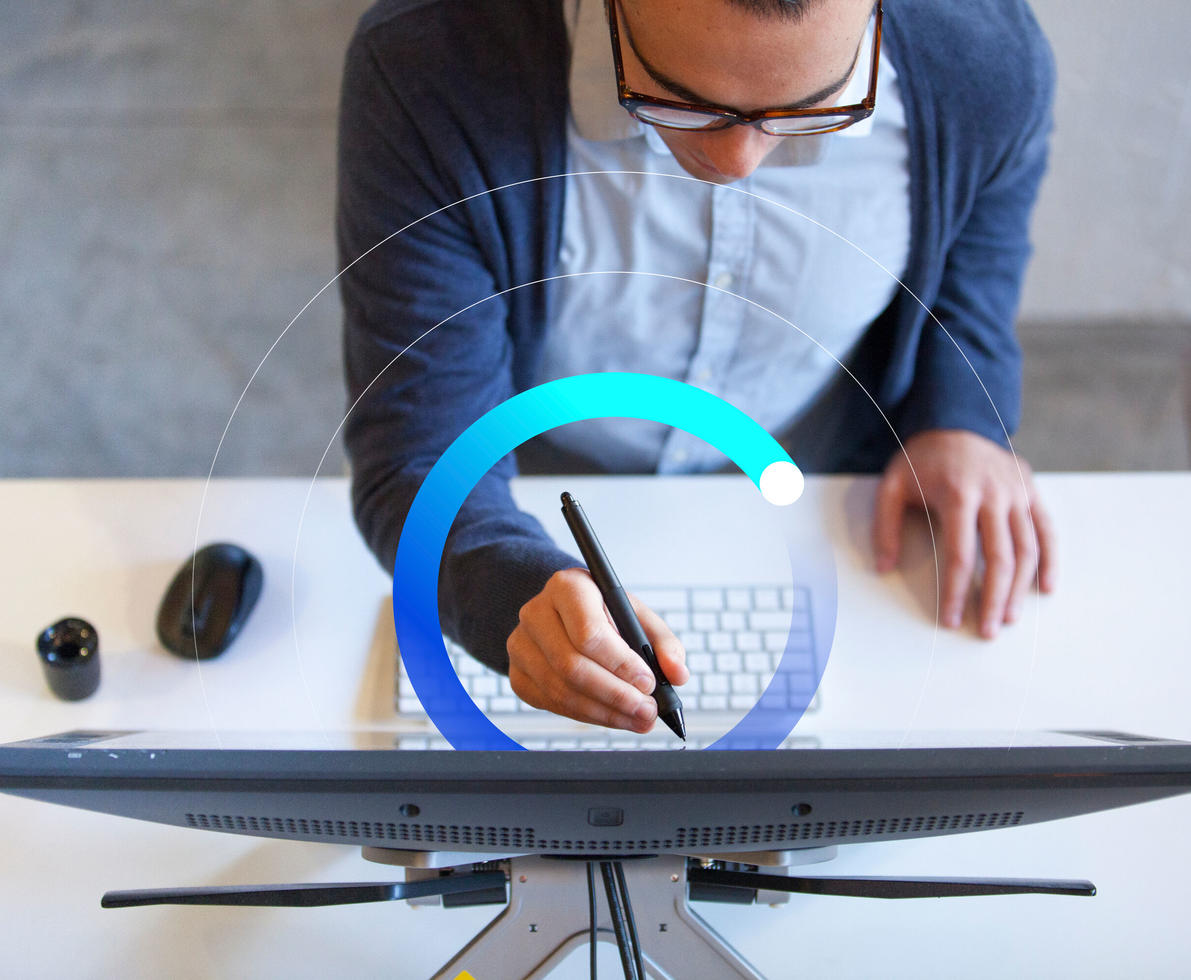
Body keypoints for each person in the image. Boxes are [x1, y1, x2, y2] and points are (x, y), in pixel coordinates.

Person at [338, 0, 1057, 734]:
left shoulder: (986, 58)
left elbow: (978, 246)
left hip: (822, 465)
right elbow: (418, 449)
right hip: (540, 469)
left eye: (810, 111)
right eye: (676, 103)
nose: (733, 163)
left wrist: (959, 410)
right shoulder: (425, 63)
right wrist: (509, 587)